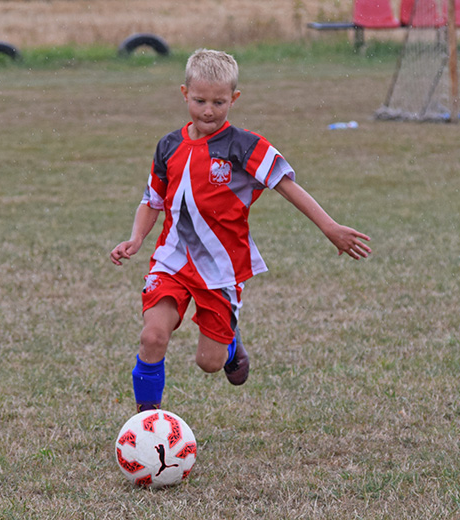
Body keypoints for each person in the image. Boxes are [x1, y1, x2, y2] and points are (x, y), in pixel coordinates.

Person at [110, 49, 371, 413]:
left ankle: (229, 343)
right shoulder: (168, 146)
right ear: (184, 93)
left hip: (221, 270)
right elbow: (152, 200)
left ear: (234, 98)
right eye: (199, 100)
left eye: (219, 102)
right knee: (152, 336)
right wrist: (137, 238)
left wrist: (329, 227)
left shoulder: (242, 146)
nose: (208, 110)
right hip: (171, 261)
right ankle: (147, 424)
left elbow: (285, 184)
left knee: (209, 363)